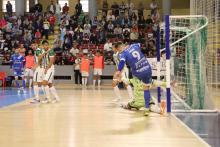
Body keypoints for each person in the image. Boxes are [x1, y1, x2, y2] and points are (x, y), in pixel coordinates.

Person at [114, 42, 152, 116]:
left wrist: (118, 71)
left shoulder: (123, 54)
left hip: (138, 72)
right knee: (146, 88)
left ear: (119, 48)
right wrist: (129, 46)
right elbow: (140, 44)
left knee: (134, 84)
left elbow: (121, 62)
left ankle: (136, 101)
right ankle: (147, 107)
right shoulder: (134, 45)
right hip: (147, 68)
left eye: (118, 50)